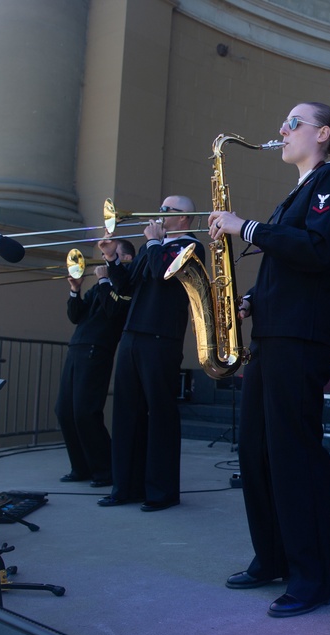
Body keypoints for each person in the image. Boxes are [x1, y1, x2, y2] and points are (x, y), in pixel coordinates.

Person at [208, 102, 330, 618]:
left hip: (300, 339)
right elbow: (285, 266)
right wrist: (251, 301)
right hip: (274, 334)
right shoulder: (294, 192)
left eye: (292, 123)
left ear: (322, 133)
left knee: (294, 455)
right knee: (255, 451)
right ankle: (272, 557)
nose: (281, 130)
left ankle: (314, 580)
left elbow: (314, 250)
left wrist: (244, 228)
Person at [96, 197, 205, 511]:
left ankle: (161, 491)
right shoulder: (151, 247)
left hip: (161, 339)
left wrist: (155, 242)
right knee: (126, 413)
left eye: (167, 210)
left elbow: (162, 273)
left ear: (184, 218)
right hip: (133, 336)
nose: (160, 213)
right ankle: (125, 486)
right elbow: (129, 287)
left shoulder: (191, 248)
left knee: (160, 415)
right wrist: (113, 260)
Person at [56, 240, 135, 488]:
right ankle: (81, 467)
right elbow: (76, 316)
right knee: (64, 411)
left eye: (114, 255)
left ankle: (105, 470)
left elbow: (114, 311)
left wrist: (104, 281)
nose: (105, 259)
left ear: (127, 259)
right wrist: (75, 290)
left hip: (96, 350)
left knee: (86, 412)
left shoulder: (127, 284)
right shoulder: (99, 287)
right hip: (76, 348)